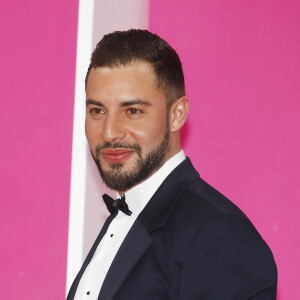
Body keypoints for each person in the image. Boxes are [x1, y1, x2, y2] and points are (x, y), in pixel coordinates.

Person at [67, 29, 277, 300]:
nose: (109, 132)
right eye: (97, 111)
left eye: (132, 111)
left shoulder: (219, 235)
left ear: (177, 115)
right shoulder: (124, 220)